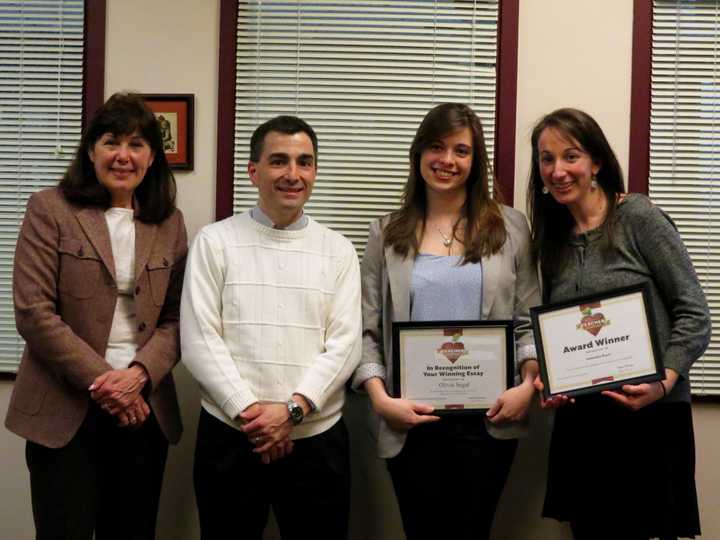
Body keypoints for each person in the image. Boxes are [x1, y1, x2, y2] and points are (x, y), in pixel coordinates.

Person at [352, 103, 541, 540]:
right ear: (418, 154)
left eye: (461, 150)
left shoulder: (510, 227)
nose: (447, 161)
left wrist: (526, 387)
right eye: (436, 147)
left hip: (490, 418)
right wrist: (380, 400)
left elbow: (527, 320)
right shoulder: (386, 232)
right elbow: (367, 329)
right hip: (410, 417)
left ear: (475, 163)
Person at [5, 92, 187, 540]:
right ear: (91, 151)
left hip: (143, 410)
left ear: (151, 157)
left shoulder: (170, 222)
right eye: (111, 142)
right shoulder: (50, 208)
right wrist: (108, 383)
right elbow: (33, 312)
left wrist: (138, 376)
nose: (123, 156)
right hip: (64, 409)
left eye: (137, 144)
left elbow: (178, 317)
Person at [527, 107, 711, 540]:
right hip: (583, 430)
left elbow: (694, 312)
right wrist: (552, 382)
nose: (557, 170)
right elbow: (561, 333)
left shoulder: (639, 218)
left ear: (597, 162)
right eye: (546, 159)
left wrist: (663, 382)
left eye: (570, 156)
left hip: (650, 419)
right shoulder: (552, 241)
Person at [181, 115, 361, 540]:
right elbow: (199, 339)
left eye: (305, 162)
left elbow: (345, 344)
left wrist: (293, 411)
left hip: (317, 439)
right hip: (231, 436)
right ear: (253, 171)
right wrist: (255, 416)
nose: (293, 174)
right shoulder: (214, 242)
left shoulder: (338, 250)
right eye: (279, 161)